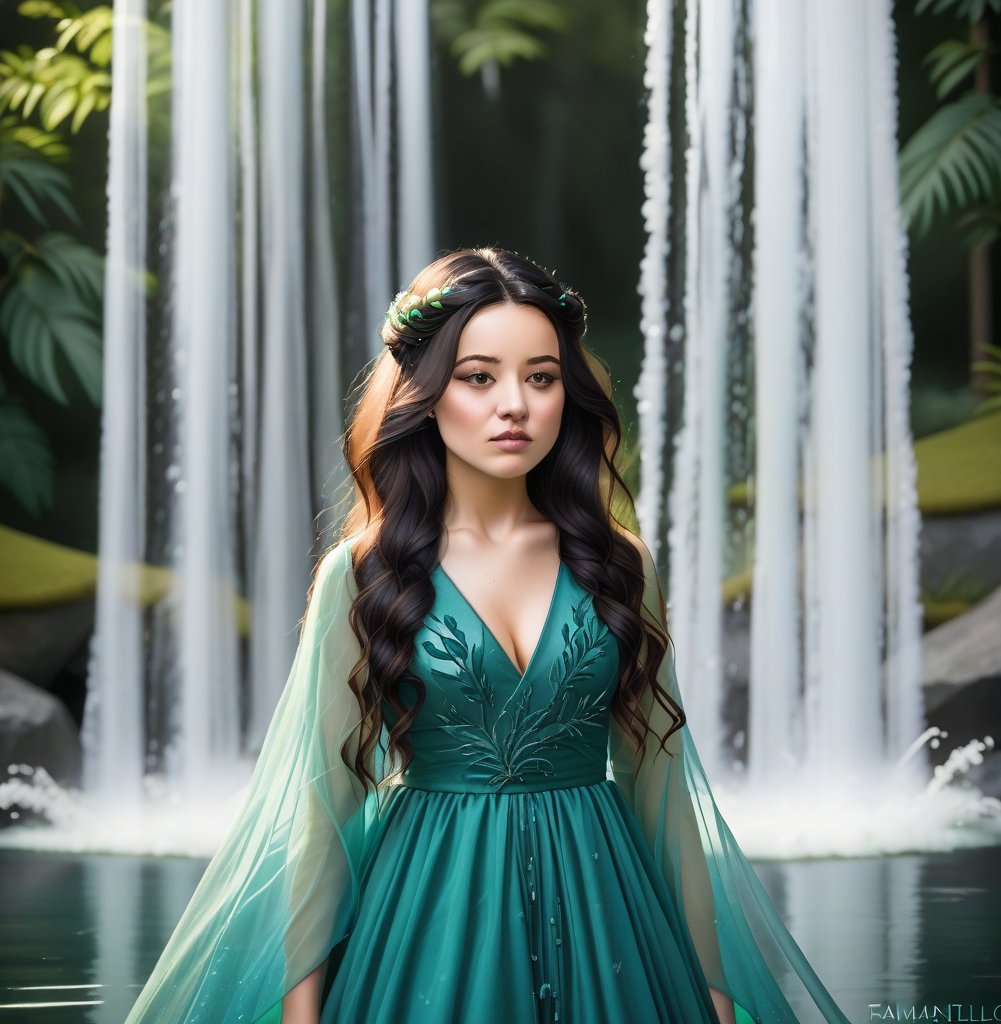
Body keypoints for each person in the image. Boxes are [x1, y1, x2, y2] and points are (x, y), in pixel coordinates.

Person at [125, 247, 852, 1024]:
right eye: (479, 377)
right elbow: (322, 811)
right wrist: (304, 1016)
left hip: (609, 917)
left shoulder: (620, 564)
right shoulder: (364, 573)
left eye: (541, 377)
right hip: (428, 916)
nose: (517, 404)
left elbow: (663, 794)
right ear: (426, 393)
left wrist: (713, 994)